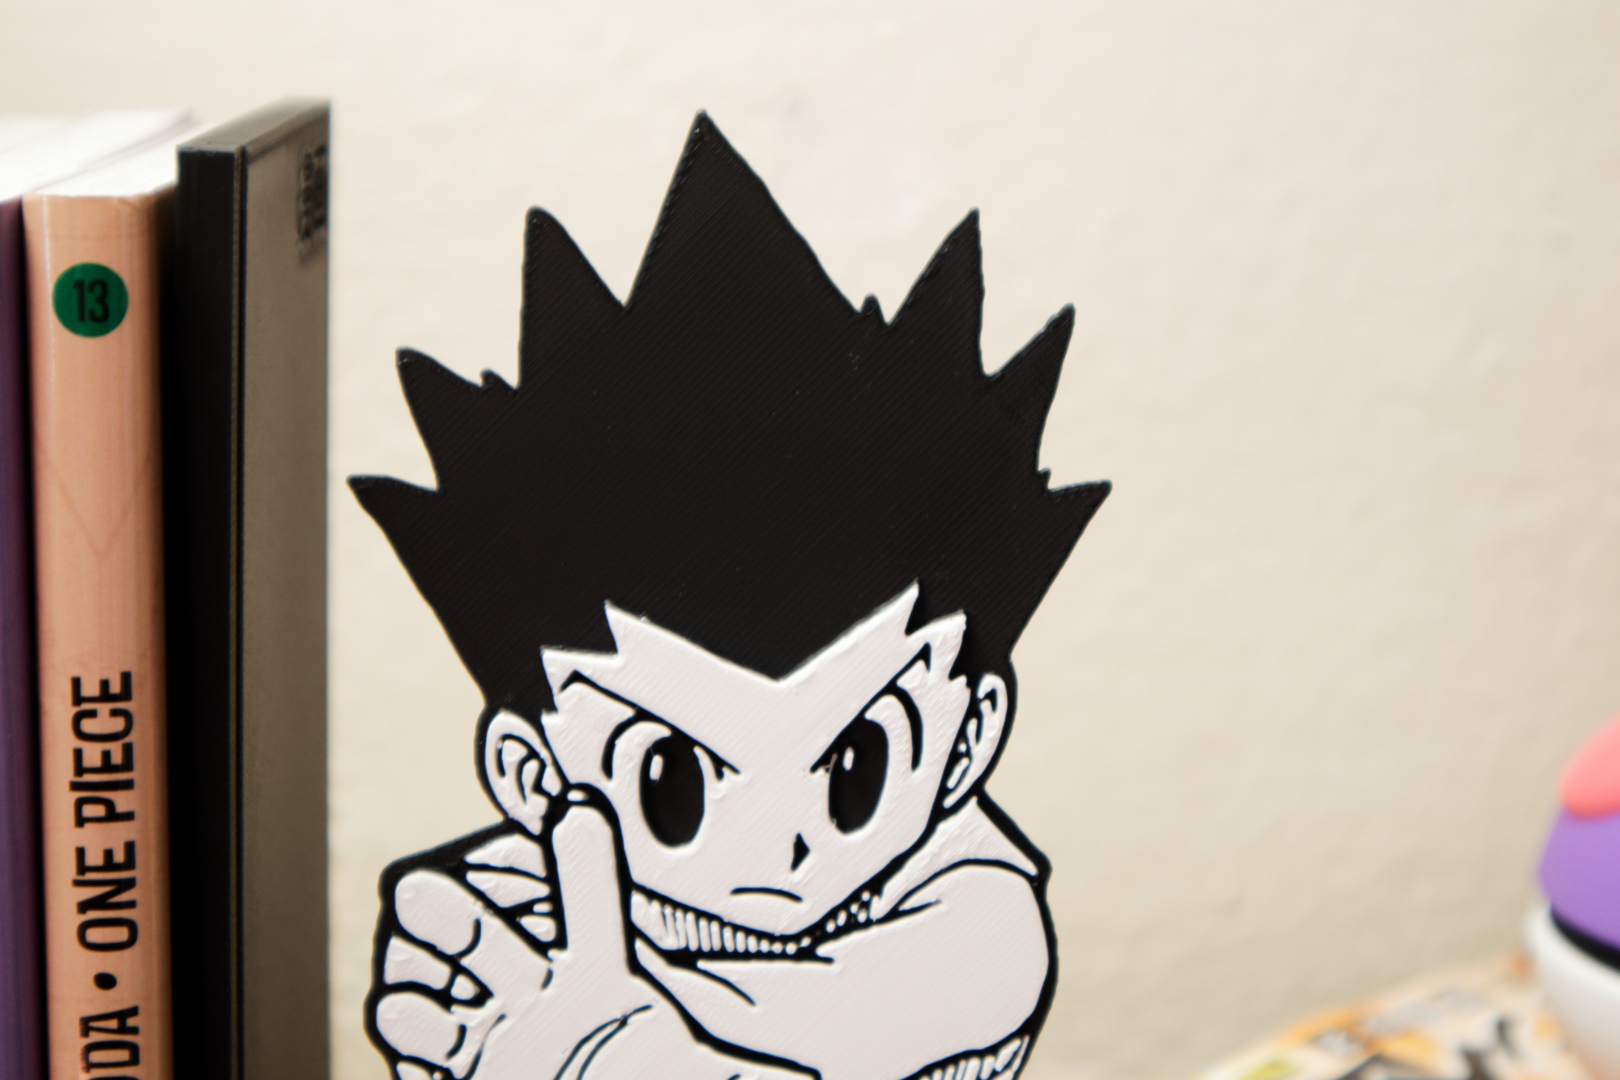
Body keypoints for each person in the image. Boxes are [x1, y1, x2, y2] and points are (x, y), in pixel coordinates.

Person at [352, 114, 1109, 1080]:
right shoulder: (521, 911)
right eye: (671, 783)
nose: (784, 851)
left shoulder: (977, 915)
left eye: (856, 769)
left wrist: (615, 1054)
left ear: (966, 737)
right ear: (531, 776)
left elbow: (864, 1018)